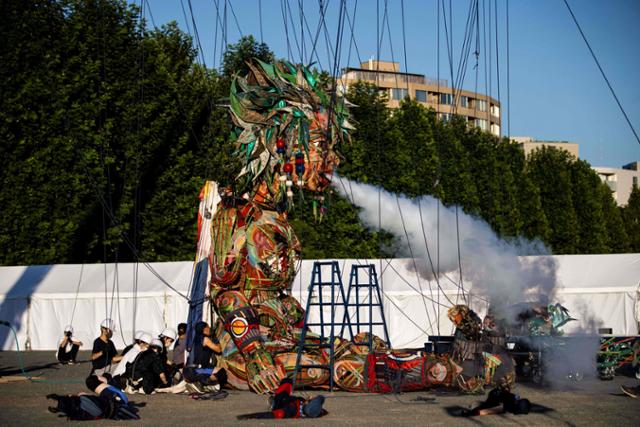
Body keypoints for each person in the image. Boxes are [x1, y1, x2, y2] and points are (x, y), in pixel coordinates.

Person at [47, 375, 139, 420]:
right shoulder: (108, 390)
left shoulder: (82, 405)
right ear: (99, 379)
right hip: (115, 405)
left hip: (110, 408)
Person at [237, 378, 326, 419]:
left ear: (308, 403)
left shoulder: (293, 409)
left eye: (311, 399)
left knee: (287, 381)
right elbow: (320, 408)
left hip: (280, 400)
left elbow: (278, 414)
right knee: (288, 384)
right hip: (287, 399)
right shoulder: (309, 408)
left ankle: (274, 402)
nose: (310, 397)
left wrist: (253, 416)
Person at [183, 321, 226, 393]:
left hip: (188, 370)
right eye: (208, 327)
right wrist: (215, 338)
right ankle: (202, 383)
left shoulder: (194, 339)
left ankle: (201, 383)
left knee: (212, 368)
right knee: (221, 372)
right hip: (197, 371)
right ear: (205, 329)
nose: (210, 329)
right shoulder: (205, 339)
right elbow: (218, 350)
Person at [461, 387, 531, 416]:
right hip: (495, 395)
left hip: (498, 393)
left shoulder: (515, 398)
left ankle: (479, 405)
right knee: (485, 407)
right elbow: (486, 411)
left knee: (485, 406)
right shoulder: (506, 406)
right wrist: (469, 413)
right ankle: (476, 407)